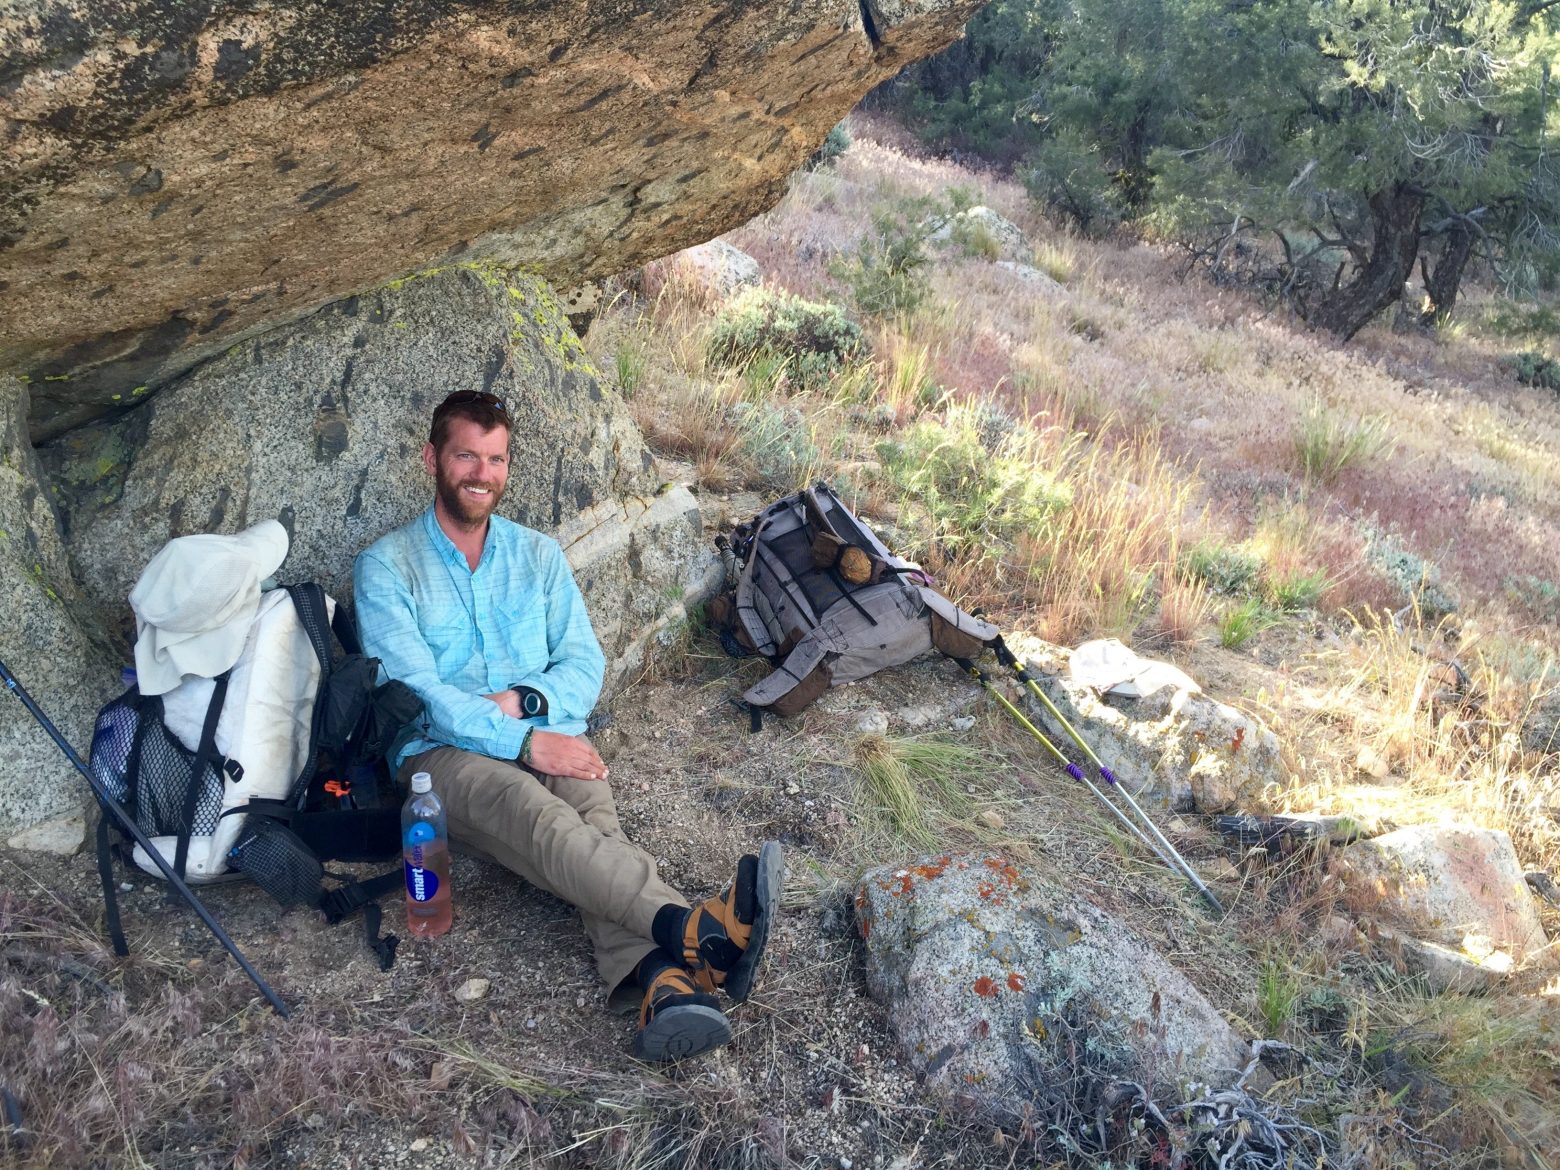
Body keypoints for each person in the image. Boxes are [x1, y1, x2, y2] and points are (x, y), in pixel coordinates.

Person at [353, 389, 782, 1061]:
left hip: (543, 729)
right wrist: (523, 742)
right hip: (438, 757)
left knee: (595, 827)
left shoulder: (538, 557)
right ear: (431, 457)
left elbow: (584, 662)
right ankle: (693, 930)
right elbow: (418, 695)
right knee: (540, 817)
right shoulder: (385, 567)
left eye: (495, 459)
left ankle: (663, 984)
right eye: (466, 455)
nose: (481, 474)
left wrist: (525, 706)